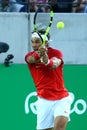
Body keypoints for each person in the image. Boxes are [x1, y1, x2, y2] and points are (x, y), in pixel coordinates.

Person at [25, 29, 72, 130]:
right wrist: (39, 54)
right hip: (44, 100)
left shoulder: (56, 53)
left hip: (61, 98)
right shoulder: (29, 56)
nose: (34, 45)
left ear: (45, 42)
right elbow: (32, 59)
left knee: (59, 128)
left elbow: (54, 64)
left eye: (37, 41)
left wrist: (47, 61)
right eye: (32, 42)